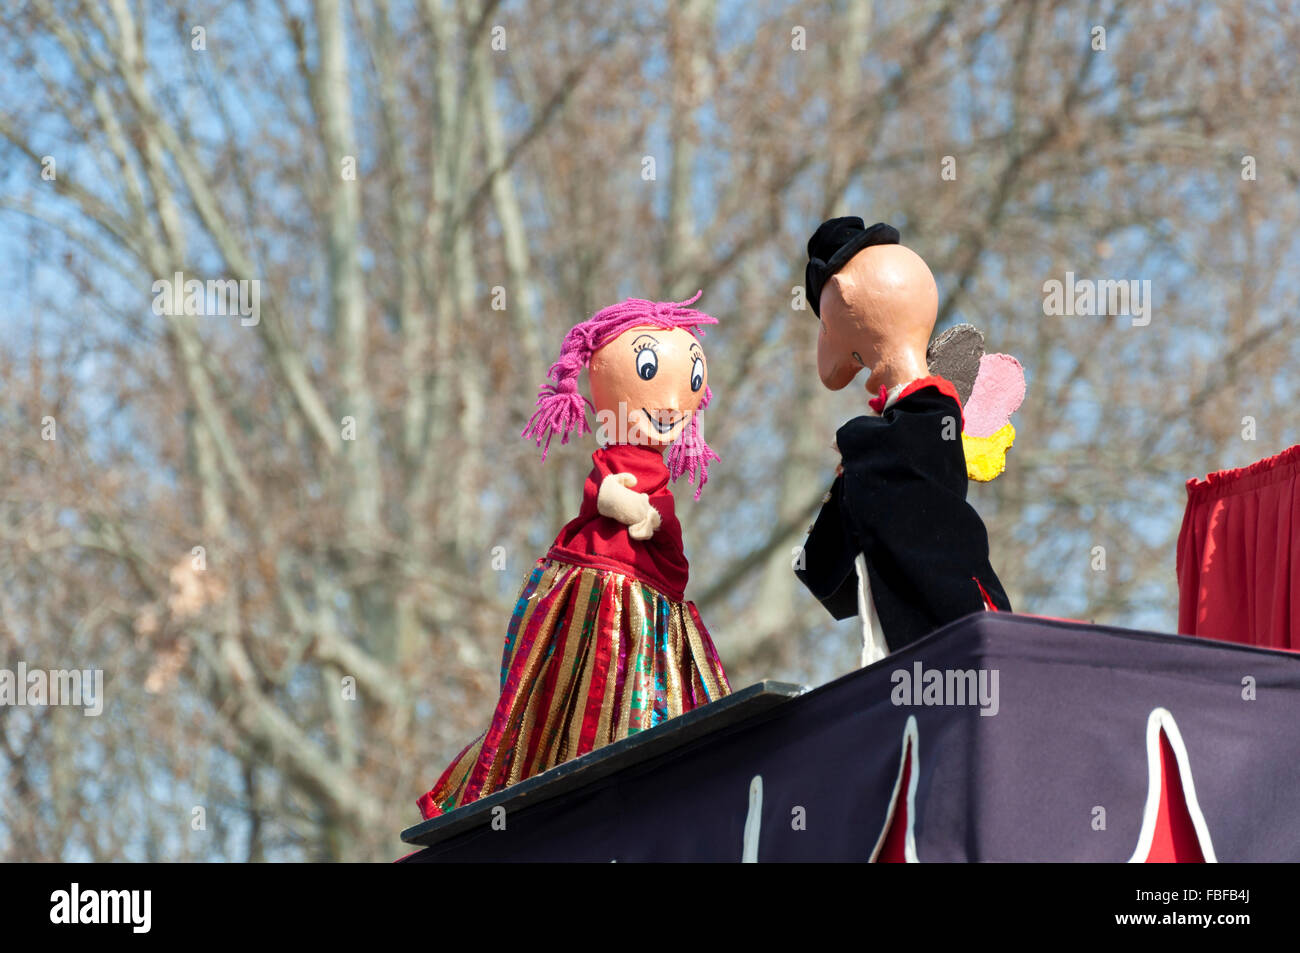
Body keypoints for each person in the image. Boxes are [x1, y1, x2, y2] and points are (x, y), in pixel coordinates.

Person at [416, 293, 731, 820]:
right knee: (571, 693)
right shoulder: (613, 458)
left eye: (693, 381)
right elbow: (604, 495)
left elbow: (667, 543)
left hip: (653, 601)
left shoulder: (662, 474)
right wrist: (633, 508)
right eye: (653, 371)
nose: (676, 403)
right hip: (599, 592)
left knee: (647, 693)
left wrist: (653, 521)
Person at [795, 218, 1013, 662]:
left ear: (848, 301)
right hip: (937, 638)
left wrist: (857, 445)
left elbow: (872, 513)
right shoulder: (900, 429)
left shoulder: (920, 418)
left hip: (951, 628)